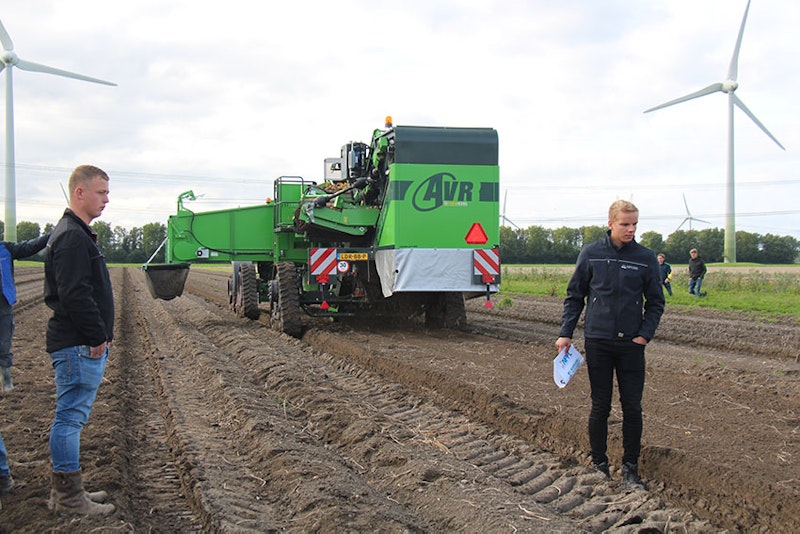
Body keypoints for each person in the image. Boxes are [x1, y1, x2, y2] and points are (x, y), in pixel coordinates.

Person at [555, 200, 665, 490]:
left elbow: (656, 302)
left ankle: (630, 468)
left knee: (632, 407)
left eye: (635, 224)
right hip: (598, 341)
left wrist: (644, 335)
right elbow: (575, 296)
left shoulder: (645, 257)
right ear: (610, 223)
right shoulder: (591, 254)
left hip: (631, 344)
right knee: (600, 405)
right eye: (625, 224)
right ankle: (599, 464)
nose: (631, 229)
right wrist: (566, 332)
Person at [44, 165, 115, 515]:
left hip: (77, 342)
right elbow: (75, 294)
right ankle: (70, 499)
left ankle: (67, 493)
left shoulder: (75, 232)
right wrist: (96, 334)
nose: (106, 199)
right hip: (77, 344)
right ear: (80, 193)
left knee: (71, 417)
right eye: (101, 192)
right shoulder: (72, 237)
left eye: (107, 192)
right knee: (70, 419)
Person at [0, 234, 51, 392]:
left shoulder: (6, 249)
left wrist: (52, 234)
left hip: (4, 304)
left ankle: (6, 380)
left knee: (4, 344)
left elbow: (30, 246)